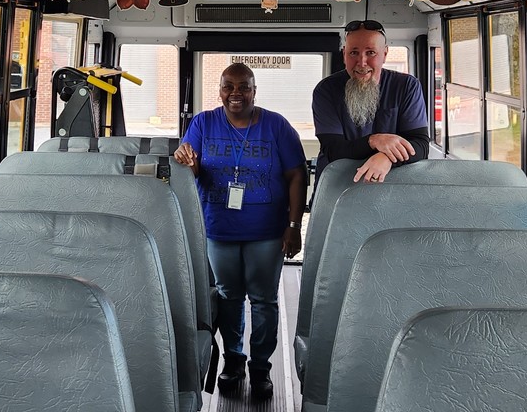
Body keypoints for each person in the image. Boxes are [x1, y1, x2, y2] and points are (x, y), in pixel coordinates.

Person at [174, 63, 306, 400]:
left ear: (254, 90)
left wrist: (294, 226)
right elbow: (192, 167)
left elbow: (297, 176)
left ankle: (261, 367)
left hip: (267, 231)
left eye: (244, 86)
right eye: (228, 87)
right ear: (219, 90)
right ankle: (234, 360)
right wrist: (187, 162)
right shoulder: (203, 123)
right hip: (218, 228)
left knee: (264, 300)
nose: (236, 94)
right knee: (229, 297)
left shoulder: (277, 126)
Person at [312, 20, 429, 183]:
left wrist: (386, 157)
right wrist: (374, 141)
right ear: (344, 54)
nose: (361, 62)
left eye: (371, 52)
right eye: (354, 53)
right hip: (335, 187)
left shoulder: (406, 86)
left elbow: (421, 145)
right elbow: (333, 149)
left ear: (385, 54)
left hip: (390, 188)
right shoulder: (326, 90)